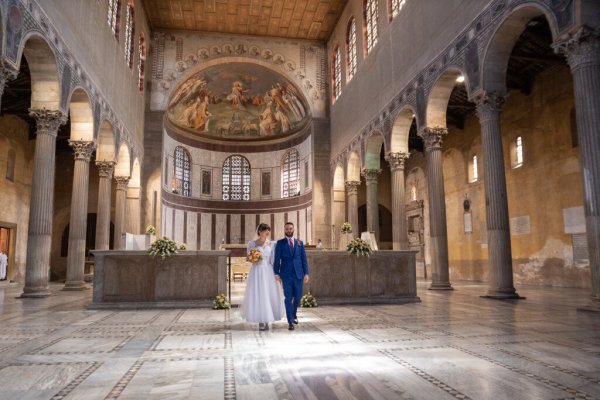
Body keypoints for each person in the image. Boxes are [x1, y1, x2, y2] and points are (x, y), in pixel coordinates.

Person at [241, 223, 283, 331]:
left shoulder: (272, 244)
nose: (267, 232)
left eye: (268, 230)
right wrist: (254, 258)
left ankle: (268, 319)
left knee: (268, 294)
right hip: (257, 271)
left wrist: (277, 274)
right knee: (259, 295)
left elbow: (273, 260)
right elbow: (249, 258)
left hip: (268, 271)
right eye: (265, 230)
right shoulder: (252, 243)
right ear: (259, 231)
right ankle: (261, 320)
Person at [273, 222, 310, 331]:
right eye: (287, 229)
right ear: (284, 230)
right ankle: (290, 322)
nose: (289, 230)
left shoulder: (300, 243)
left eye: (290, 228)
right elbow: (276, 260)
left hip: (298, 274)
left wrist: (306, 273)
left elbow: (304, 259)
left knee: (298, 297)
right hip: (286, 274)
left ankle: (293, 314)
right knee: (288, 298)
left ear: (294, 229)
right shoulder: (280, 243)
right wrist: (276, 273)